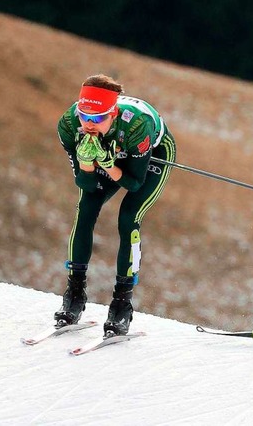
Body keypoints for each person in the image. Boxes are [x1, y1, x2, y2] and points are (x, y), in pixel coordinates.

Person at [54, 74, 176, 336]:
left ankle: (122, 302)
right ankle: (75, 292)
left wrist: (109, 164)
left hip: (149, 153)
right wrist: (87, 163)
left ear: (114, 113)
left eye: (98, 118)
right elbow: (86, 186)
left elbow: (133, 183)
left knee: (128, 218)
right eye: (84, 115)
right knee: (85, 210)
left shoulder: (136, 126)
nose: (89, 123)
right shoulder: (69, 125)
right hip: (110, 151)